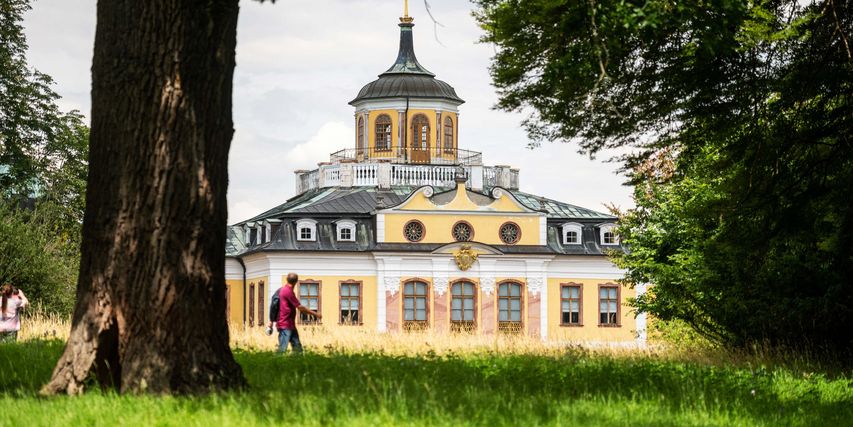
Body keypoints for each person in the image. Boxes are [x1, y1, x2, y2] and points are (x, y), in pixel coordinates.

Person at [267, 272, 321, 353]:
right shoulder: (288, 292)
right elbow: (300, 307)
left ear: (287, 279)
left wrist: (271, 321)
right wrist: (315, 314)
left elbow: (273, 306)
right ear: (296, 281)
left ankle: (296, 361)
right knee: (282, 350)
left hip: (290, 325)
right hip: (285, 325)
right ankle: (275, 361)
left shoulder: (281, 290)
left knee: (298, 349)